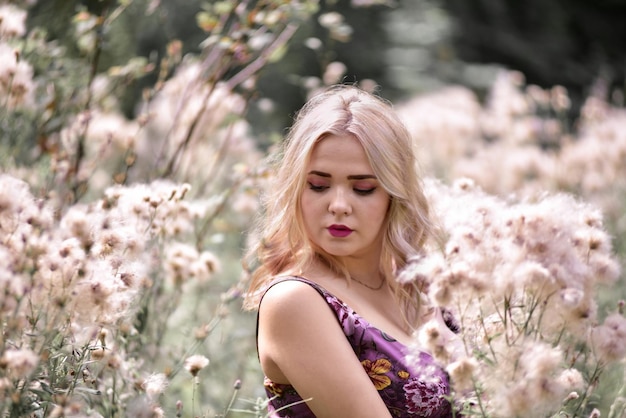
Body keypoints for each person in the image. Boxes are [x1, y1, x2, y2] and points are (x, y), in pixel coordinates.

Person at [243, 84, 458, 417]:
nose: (339, 205)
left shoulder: (427, 287)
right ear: (296, 189)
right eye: (318, 185)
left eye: (362, 188)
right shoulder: (294, 301)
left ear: (393, 195)